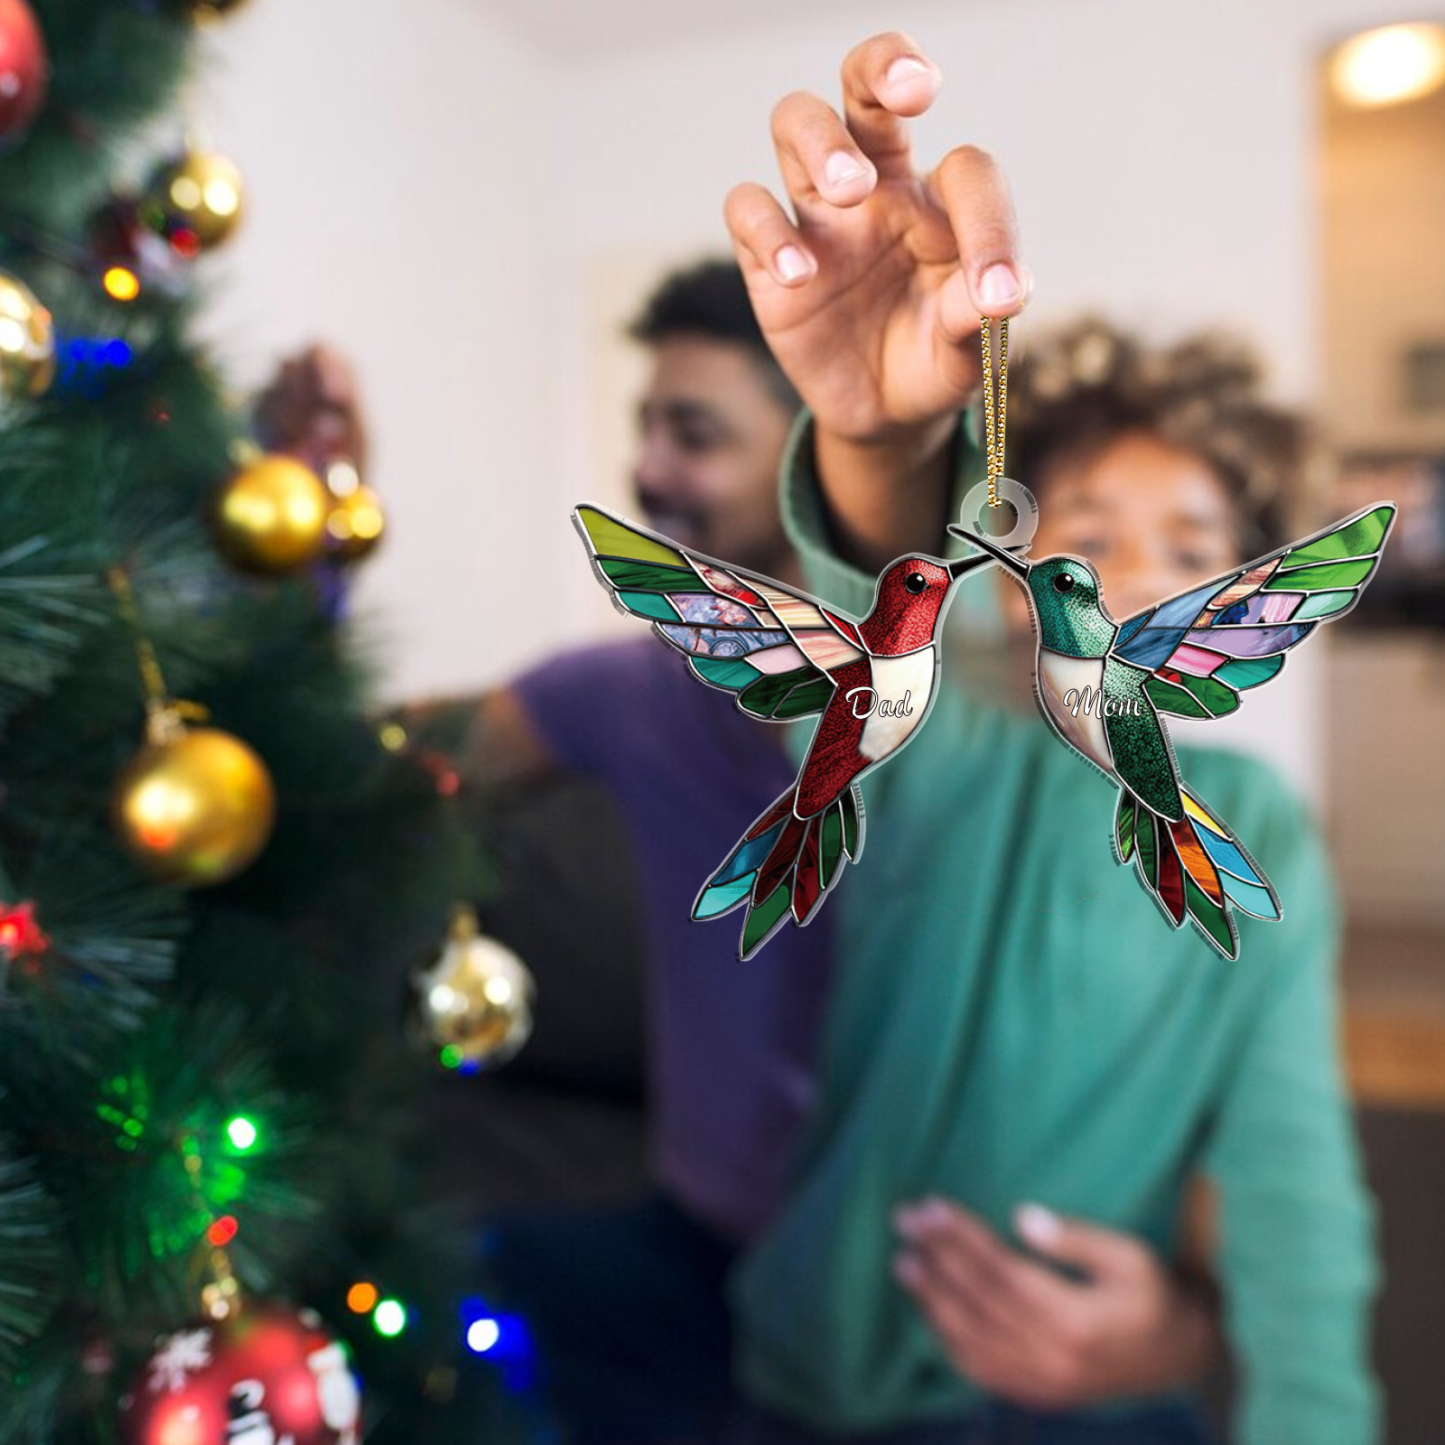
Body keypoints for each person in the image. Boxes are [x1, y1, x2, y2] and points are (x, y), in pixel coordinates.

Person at [252, 272, 1221, 1439]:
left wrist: (1179, 1319)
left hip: (968, 1297)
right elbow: (364, 771)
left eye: (693, 433)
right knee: (398, 1283)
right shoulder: (618, 692)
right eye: (644, 428)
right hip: (701, 1262)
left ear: (817, 458)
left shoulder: (1009, 720)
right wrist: (299, 542)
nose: (648, 470)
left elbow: (1207, 1056)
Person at [719, 31, 1378, 1445]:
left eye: (1190, 545)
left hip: (1106, 1397)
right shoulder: (949, 757)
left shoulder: (1260, 832)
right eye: (1088, 537)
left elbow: (1288, 1177)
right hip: (818, 1378)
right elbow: (864, 659)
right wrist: (876, 444)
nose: (1133, 575)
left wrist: (1254, 1378)